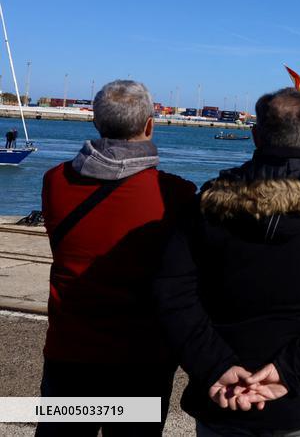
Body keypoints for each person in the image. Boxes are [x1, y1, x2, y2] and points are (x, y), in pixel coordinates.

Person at [154, 87, 300, 436]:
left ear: (255, 136)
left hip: (222, 396)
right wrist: (289, 372)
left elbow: (172, 294)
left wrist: (216, 365)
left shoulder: (204, 207)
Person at [37, 80, 196, 436]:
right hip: (143, 357)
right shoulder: (176, 194)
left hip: (70, 348)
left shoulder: (54, 181)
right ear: (150, 125)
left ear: (96, 122)